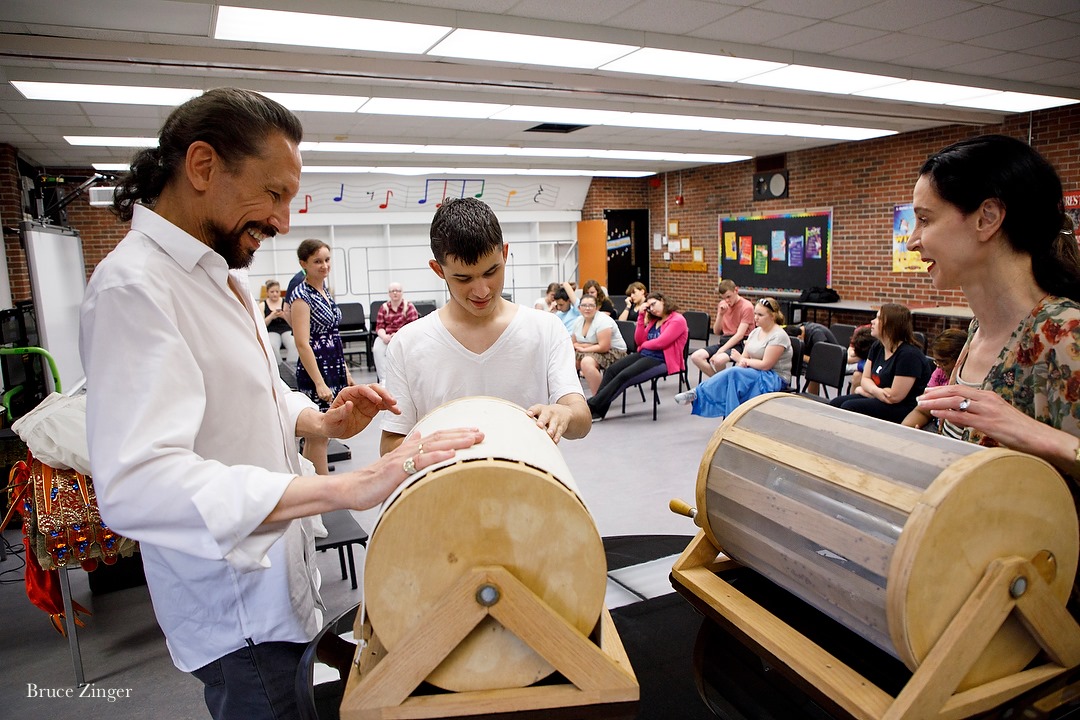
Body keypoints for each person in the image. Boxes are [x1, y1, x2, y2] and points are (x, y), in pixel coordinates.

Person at [79, 88, 482, 720]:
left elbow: (257, 389)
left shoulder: (217, 275)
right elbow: (137, 484)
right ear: (204, 166)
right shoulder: (134, 289)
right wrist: (344, 489)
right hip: (237, 611)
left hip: (279, 584)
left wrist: (318, 419)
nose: (284, 222)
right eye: (273, 194)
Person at [910, 135, 1080, 484]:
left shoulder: (1066, 334)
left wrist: (1036, 435)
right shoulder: (979, 330)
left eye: (925, 220)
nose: (912, 241)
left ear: (987, 218)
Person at [380, 197, 591, 454]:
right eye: (463, 278)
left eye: (491, 272)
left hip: (531, 487)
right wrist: (434, 446)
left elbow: (581, 419)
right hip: (444, 489)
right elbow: (391, 443)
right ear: (438, 270)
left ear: (504, 253)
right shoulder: (408, 344)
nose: (481, 291)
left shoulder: (546, 329)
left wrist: (564, 413)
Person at [288, 238, 352, 475]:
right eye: (317, 261)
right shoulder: (301, 296)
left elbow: (333, 335)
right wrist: (319, 382)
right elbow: (302, 343)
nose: (324, 266)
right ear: (303, 263)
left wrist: (344, 370)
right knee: (318, 434)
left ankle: (314, 483)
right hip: (316, 368)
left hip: (333, 364)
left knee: (323, 436)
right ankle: (320, 489)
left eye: (327, 260)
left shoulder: (324, 290)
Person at [675, 297, 793, 417]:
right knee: (733, 377)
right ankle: (728, 413)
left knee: (734, 373)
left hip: (774, 378)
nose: (756, 318)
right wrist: (742, 362)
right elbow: (745, 357)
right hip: (756, 371)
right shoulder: (755, 332)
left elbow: (765, 365)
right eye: (755, 314)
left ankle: (698, 393)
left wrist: (742, 360)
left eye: (760, 315)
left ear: (772, 316)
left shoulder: (778, 336)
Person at [586, 291, 688, 421]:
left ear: (662, 300)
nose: (652, 309)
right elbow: (639, 340)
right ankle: (598, 411)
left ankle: (592, 406)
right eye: (649, 307)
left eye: (653, 304)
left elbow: (662, 342)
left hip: (662, 360)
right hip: (644, 354)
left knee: (625, 376)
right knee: (612, 370)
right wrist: (641, 316)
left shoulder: (677, 320)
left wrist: (644, 345)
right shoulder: (654, 320)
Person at [829, 303, 931, 423]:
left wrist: (865, 391)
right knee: (834, 404)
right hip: (879, 397)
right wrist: (874, 391)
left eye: (878, 318)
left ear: (891, 325)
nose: (872, 321)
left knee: (850, 407)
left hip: (903, 408)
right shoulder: (877, 346)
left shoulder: (909, 355)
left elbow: (894, 397)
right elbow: (865, 379)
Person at [902, 328, 967, 429]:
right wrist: (905, 429)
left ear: (961, 359)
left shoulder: (967, 380)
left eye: (944, 362)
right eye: (937, 362)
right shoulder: (939, 373)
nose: (940, 367)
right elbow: (922, 411)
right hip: (936, 427)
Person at [690, 280, 755, 378]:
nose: (727, 301)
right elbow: (716, 331)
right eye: (724, 298)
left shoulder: (747, 306)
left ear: (736, 290)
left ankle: (721, 383)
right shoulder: (723, 305)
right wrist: (720, 314)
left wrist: (720, 351)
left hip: (740, 343)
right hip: (725, 341)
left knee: (718, 360)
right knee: (696, 356)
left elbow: (739, 335)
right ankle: (719, 382)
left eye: (729, 297)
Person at [571, 294, 627, 395]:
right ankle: (573, 396)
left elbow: (604, 347)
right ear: (579, 308)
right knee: (568, 361)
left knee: (586, 362)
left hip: (613, 352)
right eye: (584, 305)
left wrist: (583, 348)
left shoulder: (603, 321)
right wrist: (585, 346)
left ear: (597, 307)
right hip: (592, 349)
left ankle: (598, 398)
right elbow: (573, 343)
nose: (587, 308)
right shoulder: (578, 321)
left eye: (591, 305)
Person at [372, 282, 418, 383]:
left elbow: (413, 326)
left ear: (402, 293)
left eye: (398, 291)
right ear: (389, 294)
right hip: (387, 337)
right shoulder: (384, 307)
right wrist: (384, 336)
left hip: (404, 336)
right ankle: (383, 380)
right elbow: (379, 326)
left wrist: (397, 334)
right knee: (377, 348)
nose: (395, 293)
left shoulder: (409, 307)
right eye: (392, 291)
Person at [784, 321, 838, 396]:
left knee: (812, 369)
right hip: (813, 357)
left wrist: (802, 355)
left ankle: (812, 397)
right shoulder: (799, 327)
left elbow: (822, 359)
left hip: (832, 361)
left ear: (799, 337)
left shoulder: (817, 334)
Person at [260, 279, 297, 363]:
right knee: (272, 345)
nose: (275, 294)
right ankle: (279, 368)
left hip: (286, 330)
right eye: (272, 292)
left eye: (277, 291)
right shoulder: (262, 305)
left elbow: (293, 322)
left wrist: (284, 316)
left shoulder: (286, 303)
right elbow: (261, 325)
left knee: (294, 343)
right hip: (272, 331)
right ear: (267, 293)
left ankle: (291, 366)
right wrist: (271, 316)